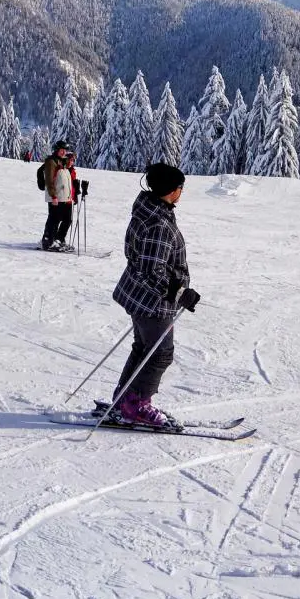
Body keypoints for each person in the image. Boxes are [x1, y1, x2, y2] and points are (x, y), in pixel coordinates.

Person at [107, 162, 200, 428]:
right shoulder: (158, 223)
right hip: (152, 302)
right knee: (160, 353)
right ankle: (136, 404)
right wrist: (180, 292)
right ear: (171, 190)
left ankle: (125, 400)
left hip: (139, 296)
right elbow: (152, 270)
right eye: (180, 187)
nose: (181, 192)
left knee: (144, 348)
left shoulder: (150, 209)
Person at [36, 141, 82, 252]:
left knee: (67, 220)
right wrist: (53, 196)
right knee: (54, 220)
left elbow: (69, 166)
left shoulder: (62, 161)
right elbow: (49, 180)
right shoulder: (51, 162)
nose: (63, 152)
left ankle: (59, 239)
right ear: (56, 150)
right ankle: (48, 241)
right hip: (56, 197)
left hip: (65, 197)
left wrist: (74, 192)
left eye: (65, 150)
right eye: (61, 150)